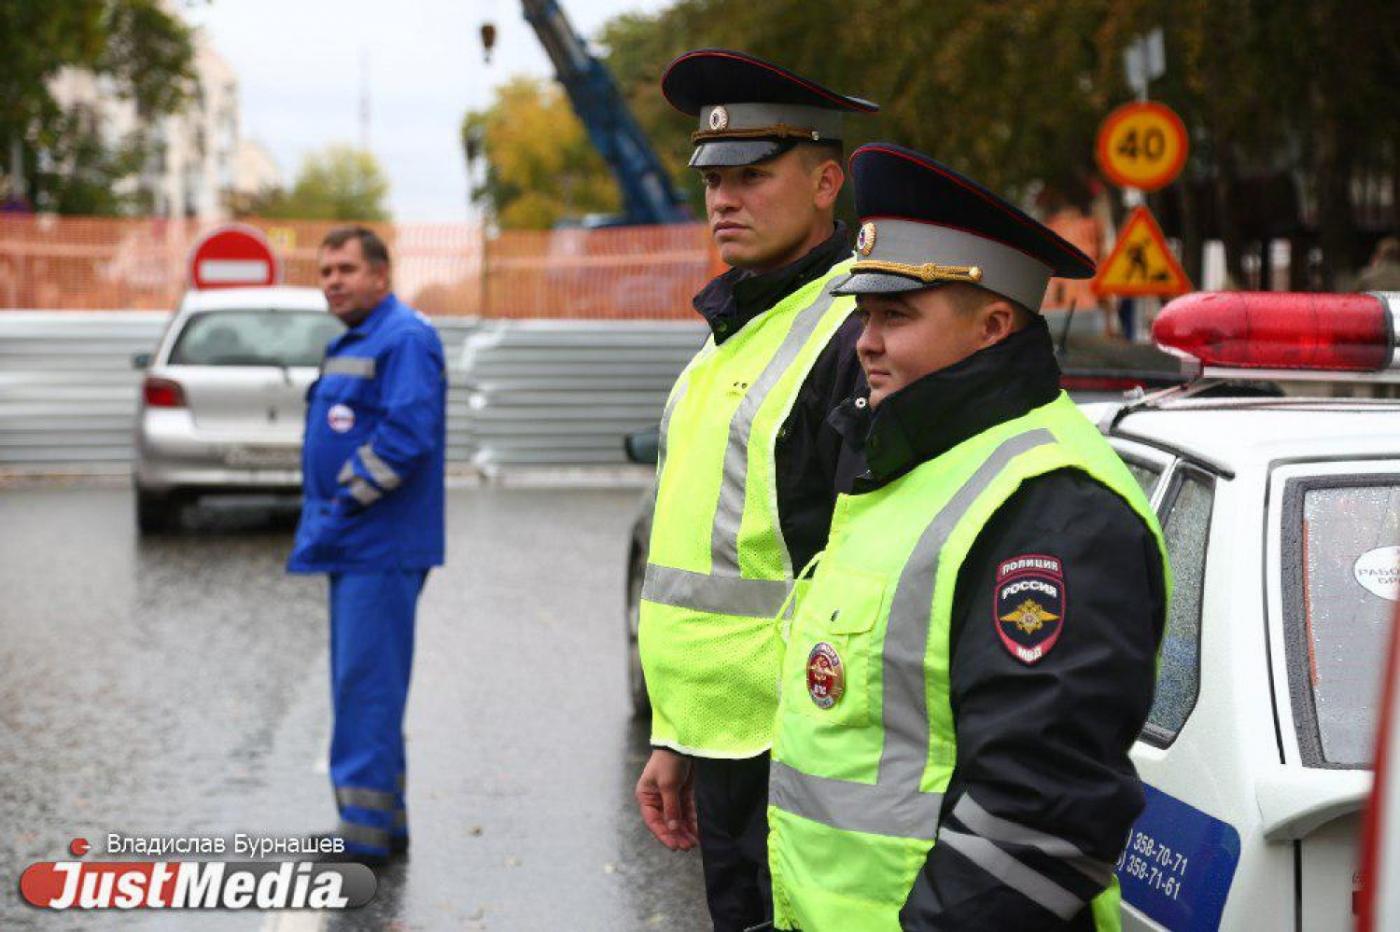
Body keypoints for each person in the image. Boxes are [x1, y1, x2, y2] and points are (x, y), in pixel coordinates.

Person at [765, 144, 1171, 931]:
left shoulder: (1053, 508)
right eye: (863, 316)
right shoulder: (919, 460)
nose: (864, 345)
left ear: (991, 325)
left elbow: (1042, 819)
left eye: (896, 316)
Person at [634, 49, 877, 931]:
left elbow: (868, 565)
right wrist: (675, 731)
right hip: (726, 737)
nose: (724, 199)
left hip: (808, 748)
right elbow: (699, 559)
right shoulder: (734, 330)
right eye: (713, 179)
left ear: (825, 183)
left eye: (751, 175)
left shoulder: (857, 334)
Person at [288, 226, 446, 865]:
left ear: (381, 275)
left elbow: (406, 439)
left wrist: (340, 500)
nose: (332, 280)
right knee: (364, 685)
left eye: (346, 269)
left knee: (366, 688)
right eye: (325, 270)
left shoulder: (403, 338)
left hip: (376, 543)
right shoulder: (361, 338)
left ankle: (363, 836)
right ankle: (381, 820)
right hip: (358, 543)